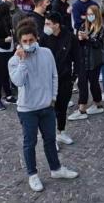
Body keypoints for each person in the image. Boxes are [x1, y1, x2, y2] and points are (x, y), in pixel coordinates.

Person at [8, 19, 79, 192]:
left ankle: (56, 168)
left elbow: (54, 75)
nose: (28, 44)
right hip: (27, 110)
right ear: (19, 43)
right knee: (29, 143)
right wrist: (22, 61)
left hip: (46, 106)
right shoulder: (14, 61)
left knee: (50, 139)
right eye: (24, 41)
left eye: (31, 40)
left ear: (36, 38)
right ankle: (32, 175)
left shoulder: (46, 53)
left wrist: (53, 98)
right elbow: (18, 81)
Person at [40, 12, 81, 146]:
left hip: (65, 79)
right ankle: (51, 138)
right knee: (49, 109)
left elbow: (78, 58)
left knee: (62, 107)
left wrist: (73, 77)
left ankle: (61, 132)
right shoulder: (44, 38)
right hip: (47, 80)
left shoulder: (70, 37)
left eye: (48, 24)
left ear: (56, 25)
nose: (45, 26)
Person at [68, 4, 104, 120]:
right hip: (83, 60)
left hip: (95, 60)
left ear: (96, 15)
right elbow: (77, 43)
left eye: (92, 14)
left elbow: (99, 44)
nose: (89, 16)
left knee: (93, 83)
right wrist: (79, 39)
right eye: (88, 14)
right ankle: (84, 108)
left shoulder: (101, 28)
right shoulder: (83, 27)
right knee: (82, 84)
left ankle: (95, 105)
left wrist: (87, 38)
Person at [0, 3, 17, 111]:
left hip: (8, 50)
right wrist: (4, 40)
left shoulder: (7, 22)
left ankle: (8, 95)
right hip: (0, 52)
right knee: (0, 76)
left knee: (6, 74)